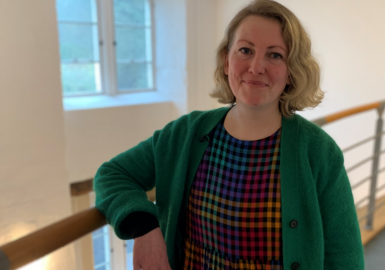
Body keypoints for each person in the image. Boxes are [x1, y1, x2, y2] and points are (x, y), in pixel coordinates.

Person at [94, 0, 364, 269]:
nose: (256, 67)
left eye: (275, 55)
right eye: (245, 50)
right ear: (226, 61)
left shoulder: (319, 152)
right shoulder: (184, 134)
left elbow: (345, 258)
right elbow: (112, 174)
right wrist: (144, 227)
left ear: (291, 72)